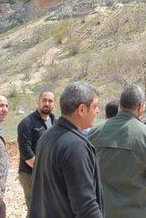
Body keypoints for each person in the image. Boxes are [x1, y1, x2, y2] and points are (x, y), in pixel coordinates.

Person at [88, 85, 146, 218]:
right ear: (140, 107)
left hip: (104, 210)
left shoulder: (95, 133)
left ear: (120, 105)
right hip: (140, 212)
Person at [29, 82, 102, 218]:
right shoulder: (75, 146)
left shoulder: (47, 136)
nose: (97, 111)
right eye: (95, 106)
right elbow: (86, 206)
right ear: (81, 109)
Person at [16, 91, 56, 212]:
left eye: (50, 101)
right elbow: (25, 151)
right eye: (44, 100)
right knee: (35, 208)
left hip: (48, 172)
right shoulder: (27, 123)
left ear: (54, 104)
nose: (47, 103)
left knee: (47, 207)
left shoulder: (55, 121)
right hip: (30, 173)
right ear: (38, 102)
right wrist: (41, 169)